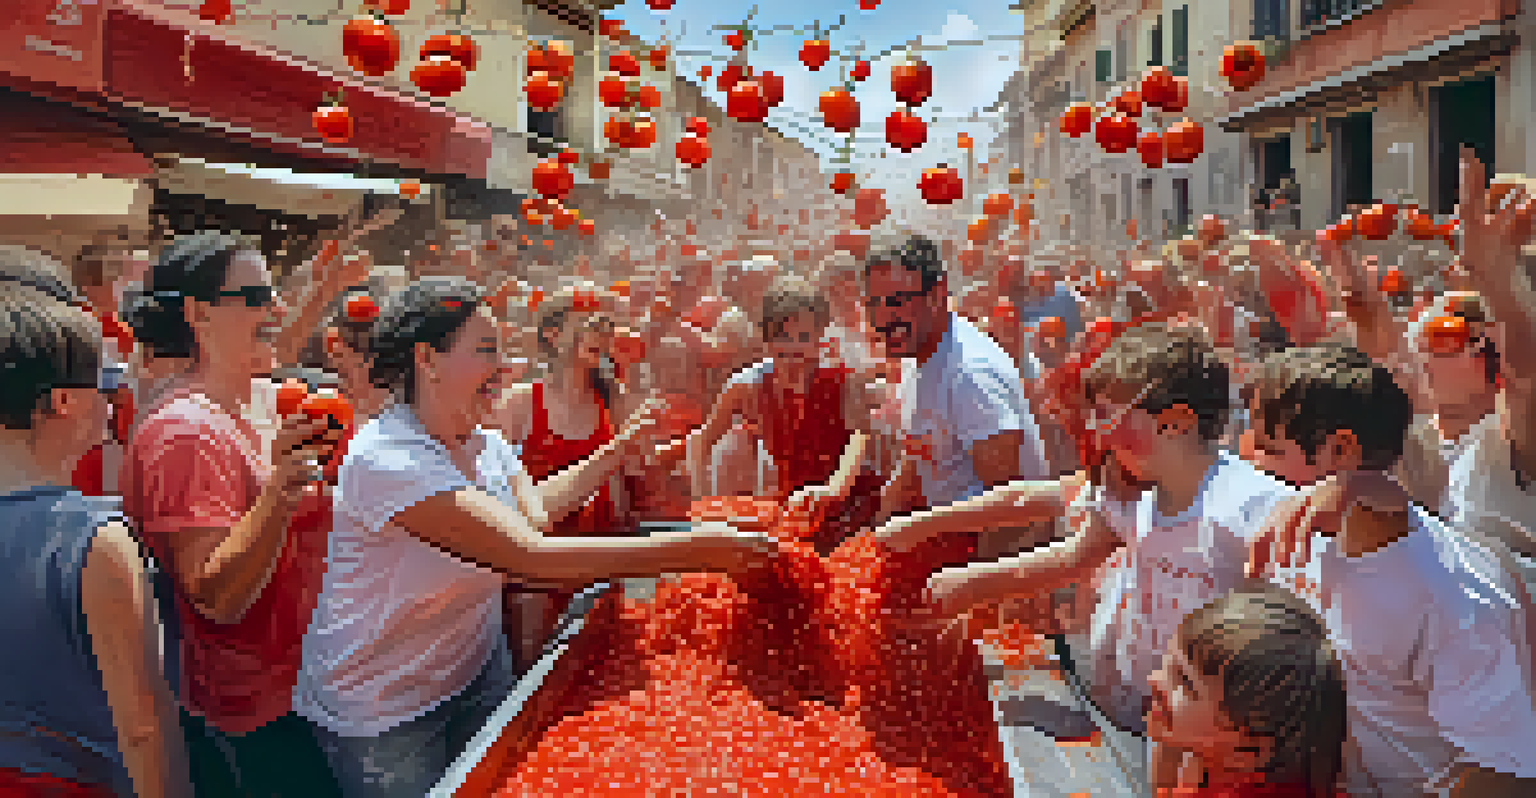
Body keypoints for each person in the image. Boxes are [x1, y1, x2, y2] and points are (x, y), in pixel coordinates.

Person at [295, 277, 775, 798]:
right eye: (484, 352)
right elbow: (529, 555)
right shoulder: (389, 458)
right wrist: (701, 549)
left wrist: (616, 452)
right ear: (427, 360)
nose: (501, 368)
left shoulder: (483, 442)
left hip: (474, 669)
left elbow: (534, 511)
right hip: (386, 713)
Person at [1242, 343, 1536, 797]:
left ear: (1340, 449)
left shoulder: (1450, 597)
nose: (1250, 462)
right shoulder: (1295, 537)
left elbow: (1504, 775)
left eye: (1268, 449)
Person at [119, 231, 346, 798]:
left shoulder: (258, 400)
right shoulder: (185, 433)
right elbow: (217, 598)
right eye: (256, 296)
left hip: (307, 688)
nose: (275, 308)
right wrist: (281, 491)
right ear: (198, 313)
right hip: (252, 718)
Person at [0, 265, 191, 798]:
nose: (112, 403)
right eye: (104, 385)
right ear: (63, 401)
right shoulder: (94, 540)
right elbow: (142, 726)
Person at [488, 286, 668, 668]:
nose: (600, 336)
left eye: (605, 327)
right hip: (537, 568)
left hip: (600, 556)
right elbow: (494, 494)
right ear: (553, 334)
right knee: (533, 678)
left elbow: (640, 471)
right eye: (588, 325)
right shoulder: (520, 402)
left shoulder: (613, 397)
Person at [861, 234, 1050, 557]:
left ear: (936, 294)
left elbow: (1014, 510)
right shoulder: (919, 353)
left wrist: (976, 596)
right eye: (873, 303)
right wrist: (880, 522)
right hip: (950, 551)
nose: (882, 318)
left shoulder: (970, 376)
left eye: (896, 301)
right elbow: (927, 444)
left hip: (989, 564)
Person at [688, 275, 883, 553]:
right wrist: (703, 503)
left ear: (819, 339)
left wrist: (834, 488)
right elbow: (702, 441)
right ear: (765, 340)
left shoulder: (843, 380)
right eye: (783, 337)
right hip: (794, 506)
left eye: (803, 338)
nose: (793, 348)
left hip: (852, 505)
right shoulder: (747, 385)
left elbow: (859, 436)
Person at [1147, 585, 1347, 798]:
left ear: (1248, 750)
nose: (1154, 681)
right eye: (1169, 666)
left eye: (1186, 682)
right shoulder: (1217, 756)